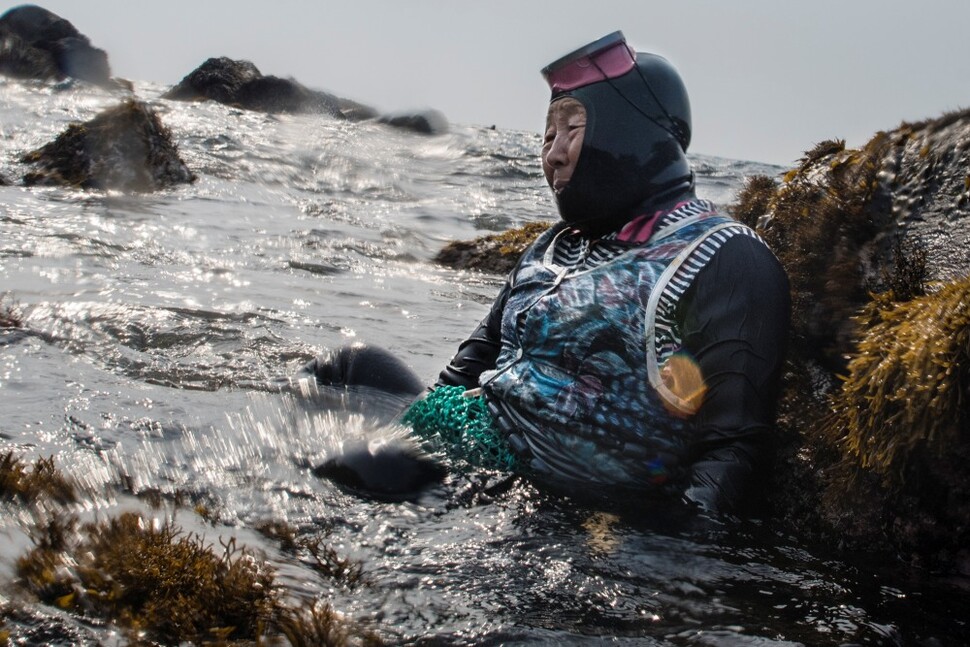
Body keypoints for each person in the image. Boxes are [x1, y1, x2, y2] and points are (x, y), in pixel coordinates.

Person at [307, 32, 790, 515]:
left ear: (630, 131)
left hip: (545, 492)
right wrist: (417, 432)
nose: (552, 154)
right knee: (344, 366)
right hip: (471, 445)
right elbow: (462, 374)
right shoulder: (552, 245)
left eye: (571, 129)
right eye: (547, 135)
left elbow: (732, 450)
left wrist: (677, 565)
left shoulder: (723, 256)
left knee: (356, 467)